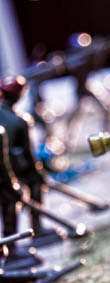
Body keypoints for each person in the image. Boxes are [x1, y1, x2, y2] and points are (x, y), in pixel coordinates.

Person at [0, 75, 57, 240]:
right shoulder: (20, 121)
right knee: (35, 184)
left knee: (10, 199)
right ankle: (35, 229)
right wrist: (39, 174)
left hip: (6, 168)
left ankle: (12, 243)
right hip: (11, 169)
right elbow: (28, 155)